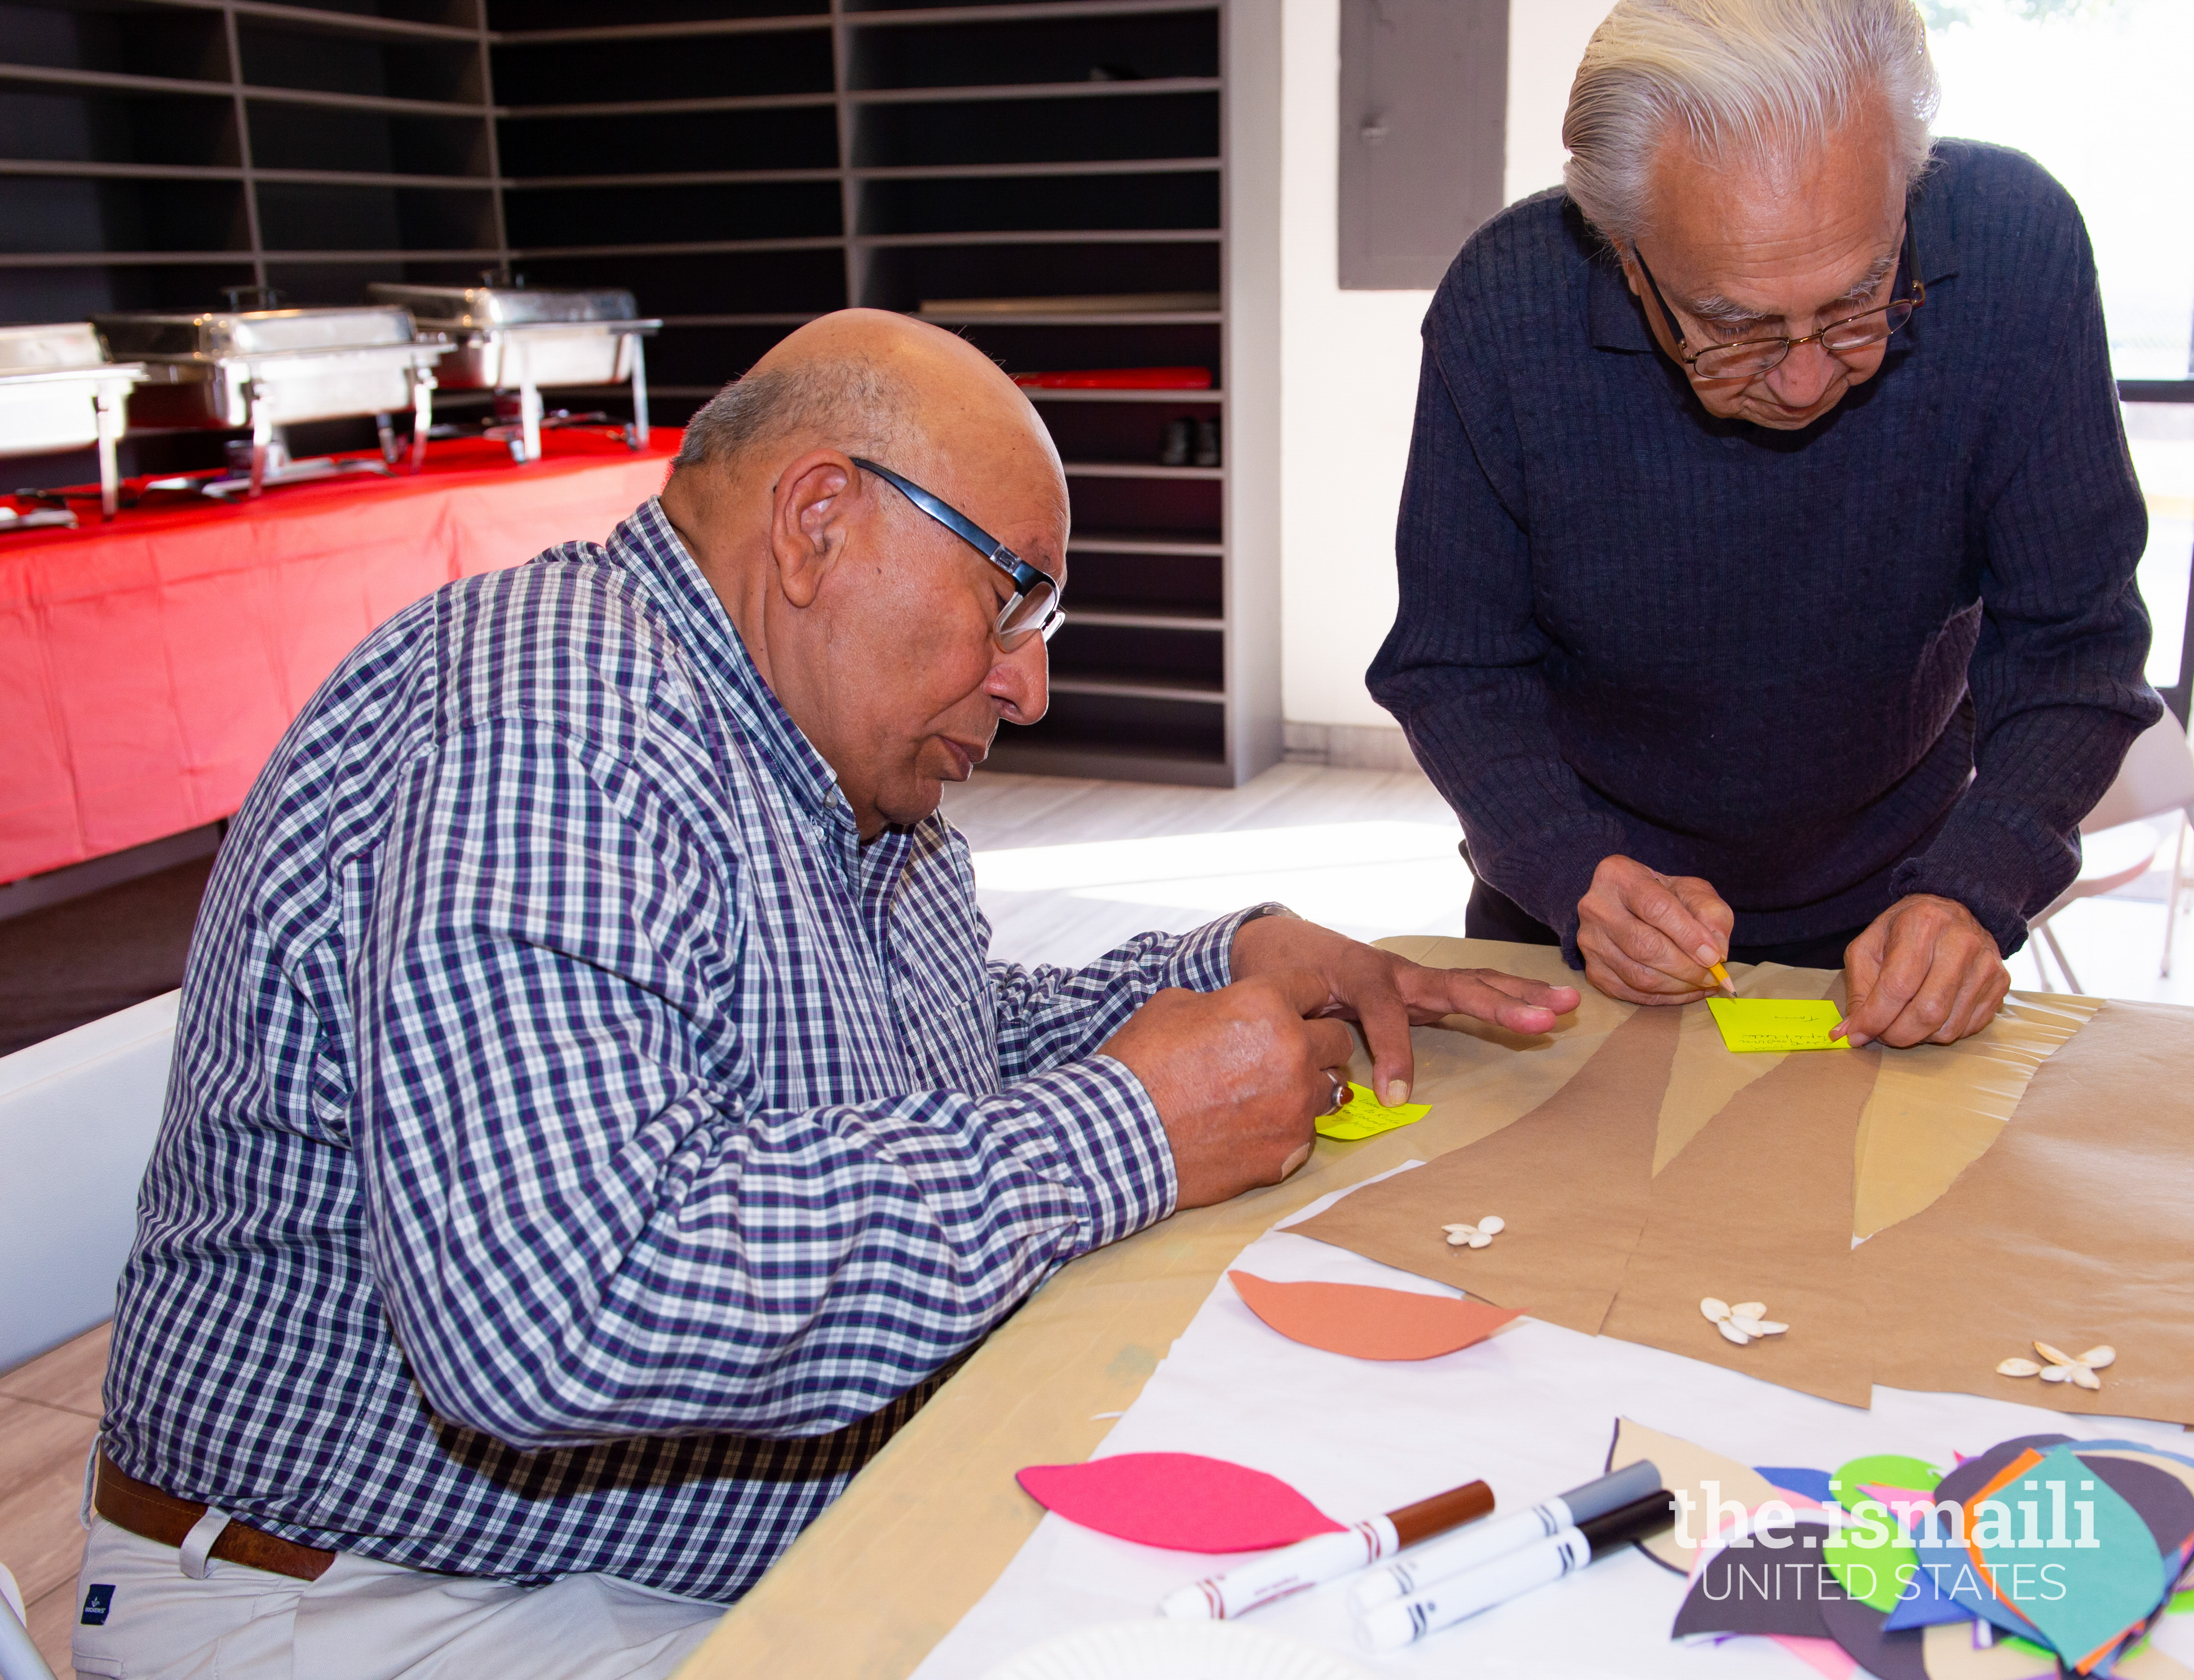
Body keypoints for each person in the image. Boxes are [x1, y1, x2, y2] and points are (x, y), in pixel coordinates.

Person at [77, 309, 1577, 1678]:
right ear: (815, 522)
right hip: (379, 1599)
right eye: (1008, 607)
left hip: (620, 1550)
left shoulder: (831, 756)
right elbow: (559, 1303)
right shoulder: (552, 719)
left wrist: (1223, 962)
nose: (1026, 683)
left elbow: (949, 1042)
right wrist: (1121, 1129)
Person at [1370, 0, 2161, 1049]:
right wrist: (1571, 866)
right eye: (1735, 327)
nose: (1803, 379)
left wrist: (1976, 885)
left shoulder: (2021, 250)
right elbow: (1455, 668)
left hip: (1899, 913)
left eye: (1861, 296)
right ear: (1622, 251)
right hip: (1591, 921)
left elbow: (2075, 647)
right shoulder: (1504, 311)